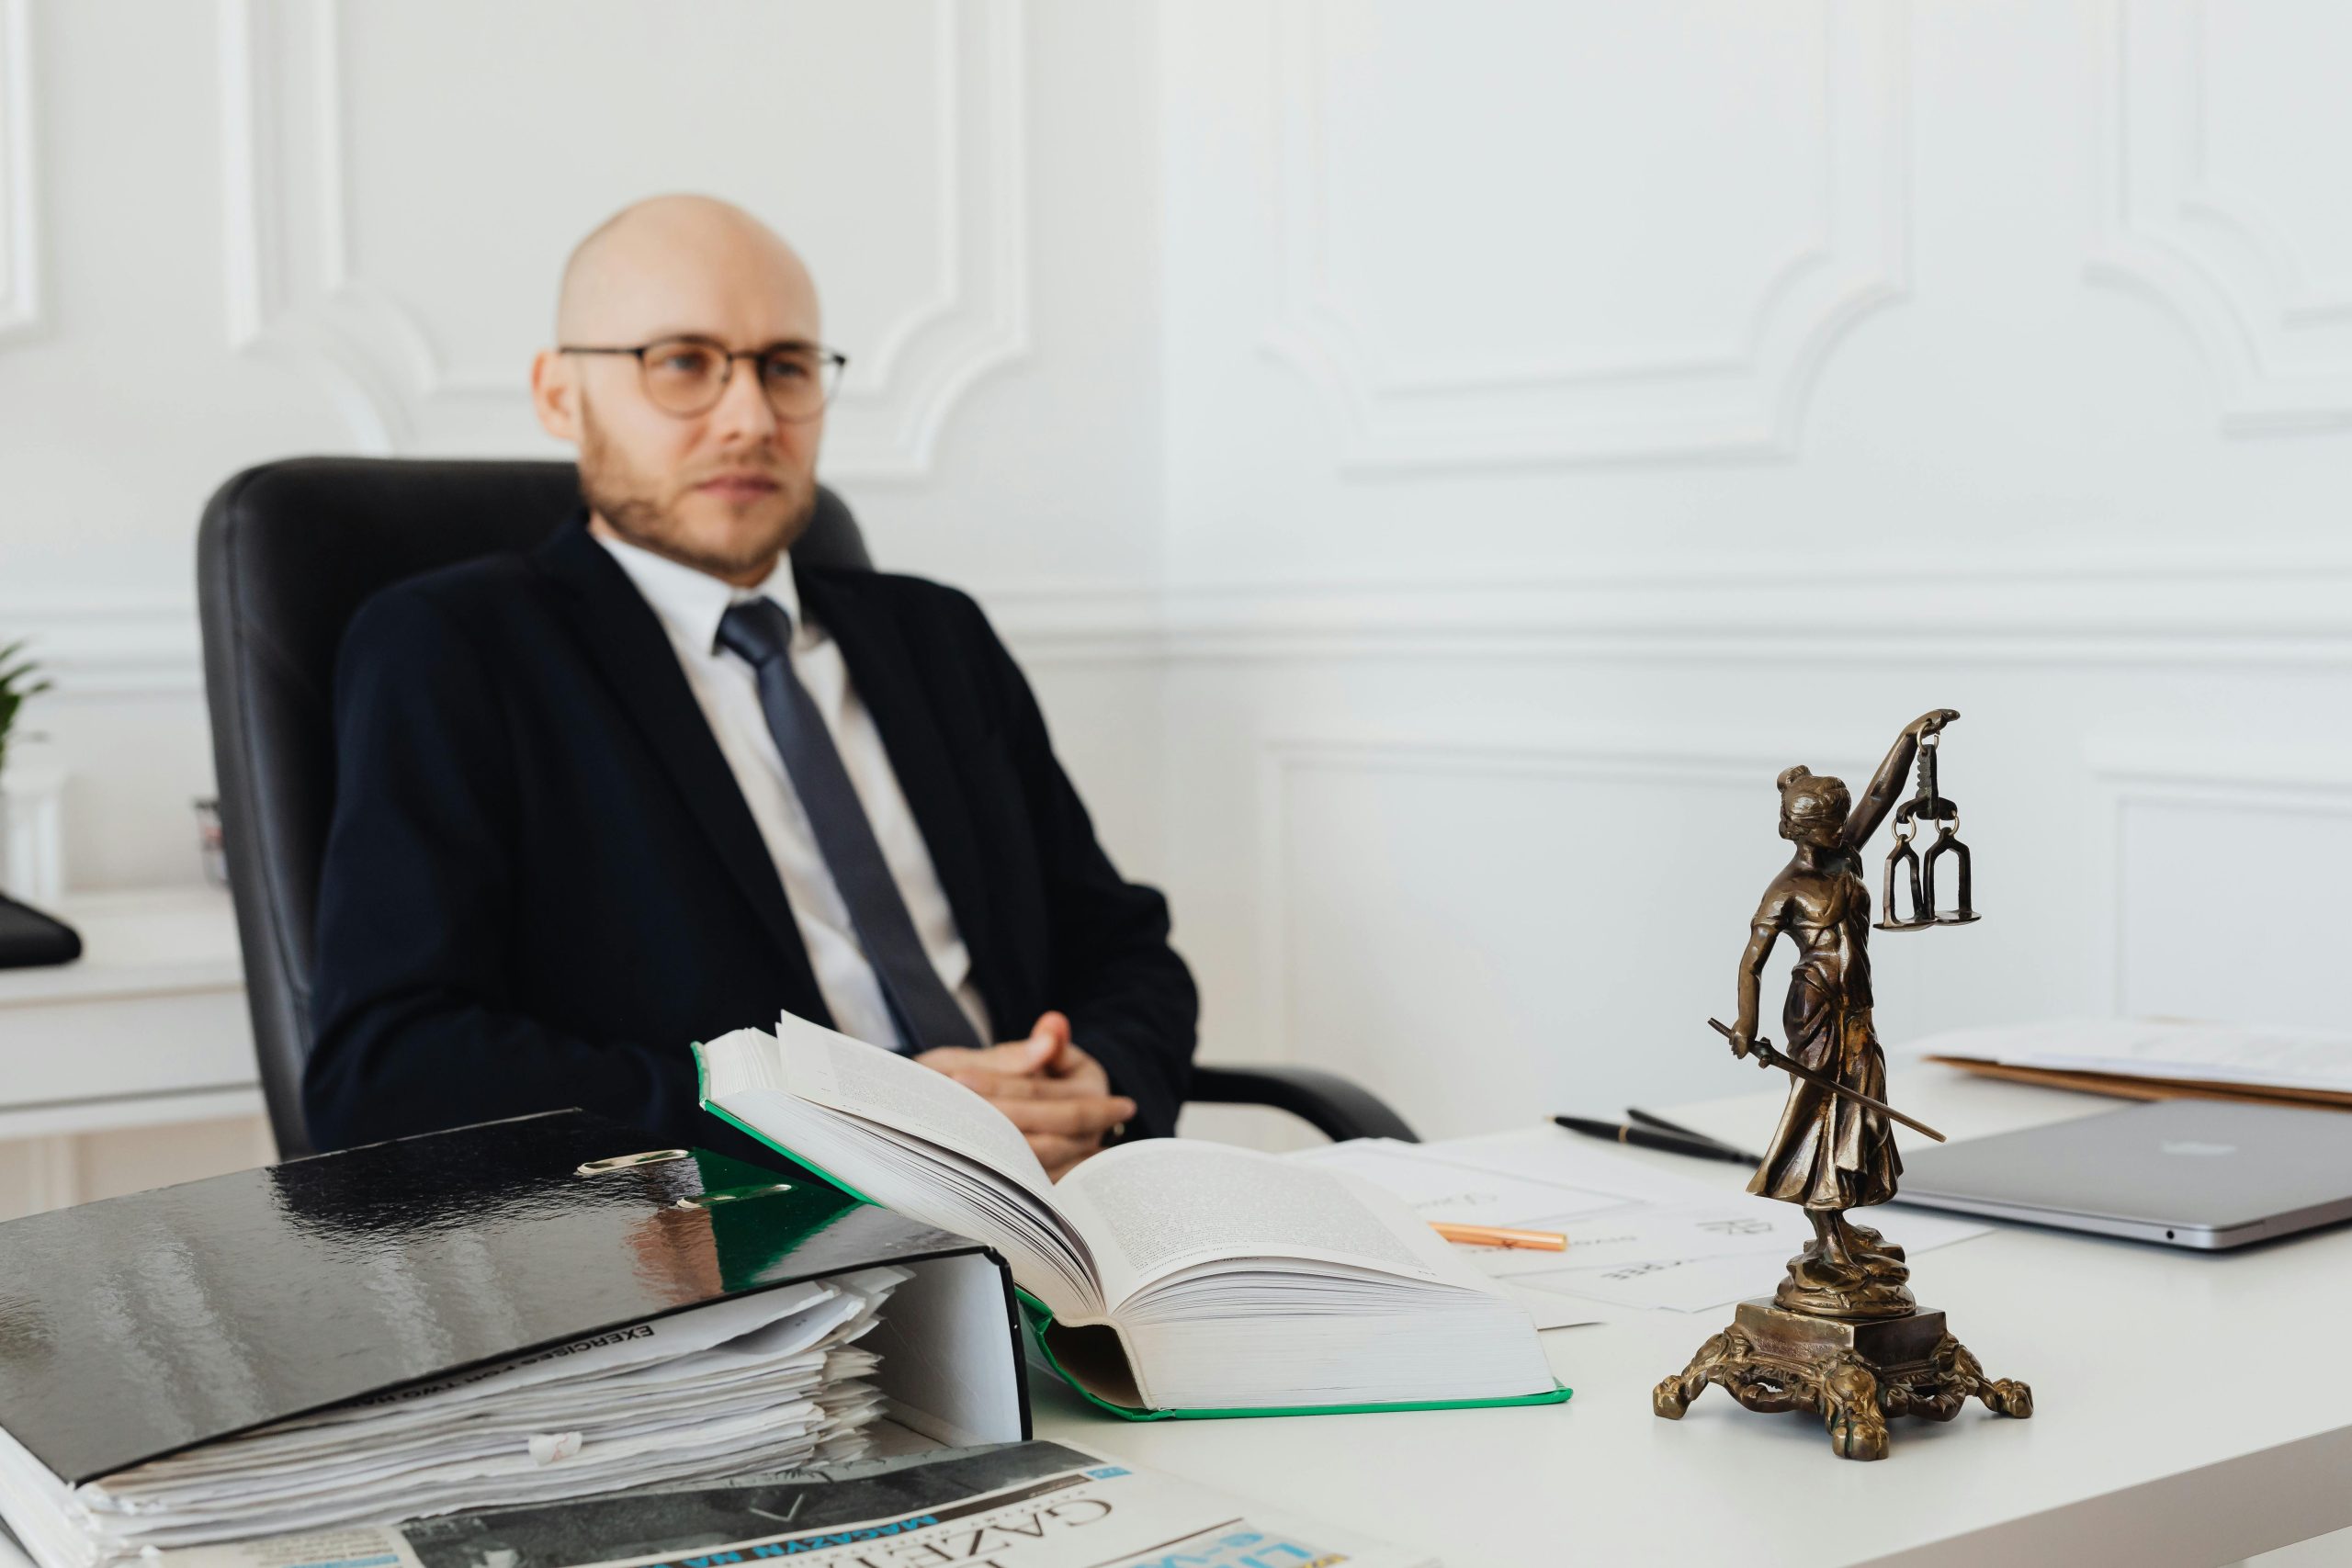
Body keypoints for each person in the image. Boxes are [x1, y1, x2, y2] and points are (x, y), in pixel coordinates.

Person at [305, 195, 1195, 1179]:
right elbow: (390, 1072)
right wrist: (841, 1119)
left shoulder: (934, 635)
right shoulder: (455, 649)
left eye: (785, 367)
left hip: (1066, 1201)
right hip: (759, 1252)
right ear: (561, 395)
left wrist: (1100, 1080)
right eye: (682, 362)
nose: (750, 418)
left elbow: (1126, 950)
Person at [1724, 708, 1958, 1319]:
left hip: (1858, 1006)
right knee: (1821, 1114)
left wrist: (1909, 739)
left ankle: (1840, 1224)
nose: (1841, 830)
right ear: (1801, 829)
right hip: (1817, 1011)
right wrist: (1747, 1026)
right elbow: (1753, 961)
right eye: (1829, 824)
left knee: (1858, 1108)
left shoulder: (1845, 852)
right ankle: (1826, 1231)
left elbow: (1883, 794)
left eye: (1839, 822)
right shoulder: (1787, 886)